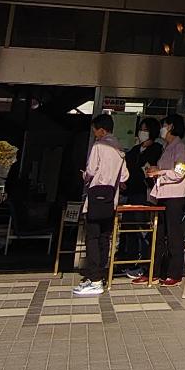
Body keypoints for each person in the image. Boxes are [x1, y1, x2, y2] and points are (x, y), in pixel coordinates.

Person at [70, 115, 128, 297]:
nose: (94, 134)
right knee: (104, 237)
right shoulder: (119, 149)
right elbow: (125, 176)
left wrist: (85, 176)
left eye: (95, 130)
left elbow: (91, 170)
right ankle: (100, 275)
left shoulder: (99, 145)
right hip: (111, 199)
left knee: (92, 238)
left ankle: (94, 279)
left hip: (96, 198)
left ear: (102, 130)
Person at [147, 114, 185, 287]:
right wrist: (156, 171)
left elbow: (180, 172)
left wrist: (160, 172)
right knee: (159, 234)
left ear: (171, 127)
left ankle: (175, 273)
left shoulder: (180, 148)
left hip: (175, 196)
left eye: (164, 125)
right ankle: (155, 271)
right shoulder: (167, 147)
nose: (162, 129)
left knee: (174, 234)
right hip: (163, 194)